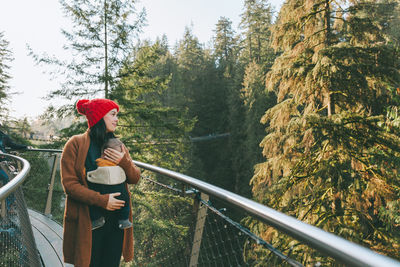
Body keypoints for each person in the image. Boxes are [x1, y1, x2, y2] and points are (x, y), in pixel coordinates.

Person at [60, 98, 141, 267]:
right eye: (112, 114)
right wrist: (103, 201)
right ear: (99, 117)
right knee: (89, 262)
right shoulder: (75, 144)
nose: (116, 119)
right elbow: (70, 185)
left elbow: (134, 178)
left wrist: (124, 161)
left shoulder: (118, 145)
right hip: (88, 221)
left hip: (117, 221)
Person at [87, 137, 132, 230]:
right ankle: (124, 219)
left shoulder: (99, 162)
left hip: (102, 190)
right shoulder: (119, 165)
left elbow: (90, 173)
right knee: (126, 200)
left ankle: (96, 219)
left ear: (104, 153)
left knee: (92, 202)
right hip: (120, 191)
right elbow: (132, 176)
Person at [0, 126, 29, 209]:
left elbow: (13, 145)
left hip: (3, 163)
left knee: (13, 177)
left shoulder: (3, 136)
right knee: (8, 178)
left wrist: (25, 147)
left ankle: (9, 206)